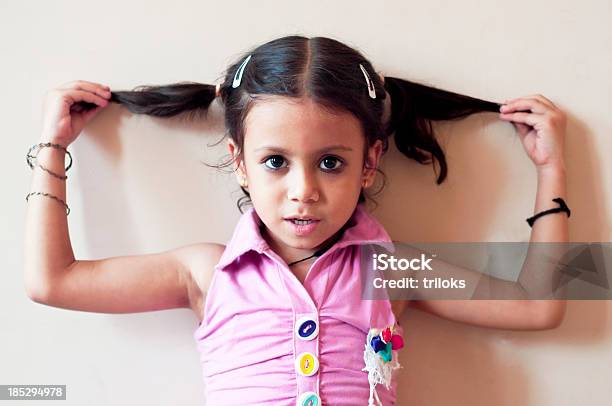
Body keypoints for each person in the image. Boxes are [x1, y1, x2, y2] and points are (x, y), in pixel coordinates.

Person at [24, 35, 569, 406]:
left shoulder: (392, 270)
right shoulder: (206, 272)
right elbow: (52, 282)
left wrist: (551, 169)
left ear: (369, 162)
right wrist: (52, 147)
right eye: (275, 162)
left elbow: (541, 306)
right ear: (240, 162)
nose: (303, 191)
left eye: (330, 162)